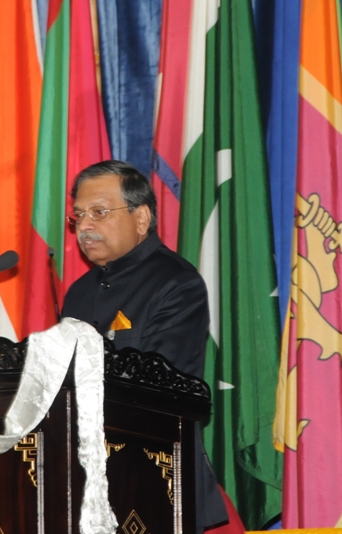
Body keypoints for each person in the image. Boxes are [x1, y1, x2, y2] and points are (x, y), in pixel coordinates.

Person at [60, 160, 228, 532]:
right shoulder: (79, 293)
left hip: (155, 480)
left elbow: (159, 388)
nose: (84, 226)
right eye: (78, 216)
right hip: (85, 484)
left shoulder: (176, 283)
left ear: (141, 218)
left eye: (99, 213)